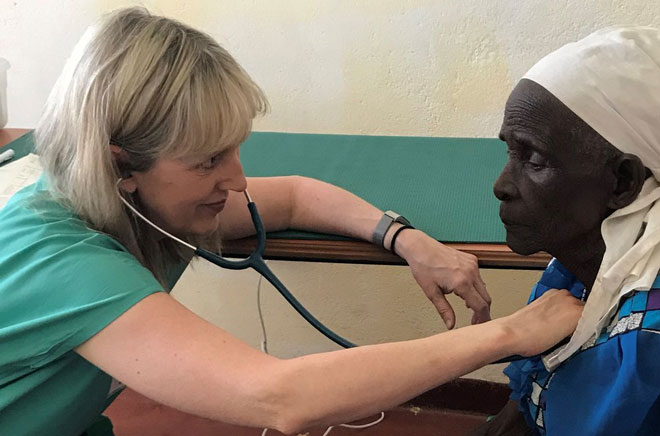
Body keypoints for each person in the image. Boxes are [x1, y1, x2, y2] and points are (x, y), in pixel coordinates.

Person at [0, 8, 583, 436]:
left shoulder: (131, 201)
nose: (235, 180)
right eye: (207, 160)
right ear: (119, 164)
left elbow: (299, 198)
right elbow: (280, 398)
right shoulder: (67, 264)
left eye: (234, 148)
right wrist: (509, 333)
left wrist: (406, 240)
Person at [469, 27, 660, 436]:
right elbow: (525, 401)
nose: (500, 184)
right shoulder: (586, 261)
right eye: (510, 150)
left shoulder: (647, 345)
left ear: (622, 181)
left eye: (534, 158)